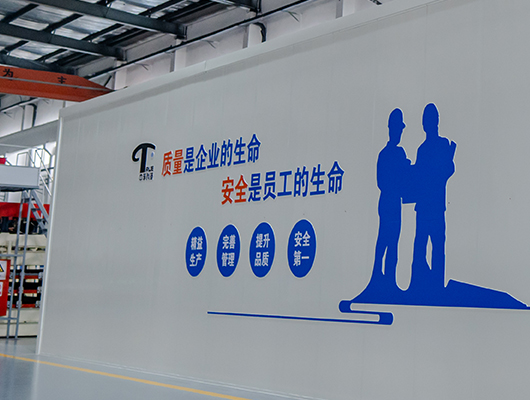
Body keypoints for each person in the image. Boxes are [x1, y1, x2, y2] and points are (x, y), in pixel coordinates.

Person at [410, 103, 456, 291]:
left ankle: (435, 285)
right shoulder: (423, 149)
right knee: (422, 246)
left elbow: (448, 170)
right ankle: (422, 284)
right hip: (427, 206)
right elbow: (420, 176)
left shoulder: (440, 145)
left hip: (433, 206)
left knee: (436, 247)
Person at [370, 108, 411, 291]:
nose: (399, 132)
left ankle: (389, 280)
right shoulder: (387, 154)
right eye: (397, 128)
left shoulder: (397, 153)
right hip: (388, 202)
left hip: (393, 202)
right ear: (391, 129)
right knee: (385, 240)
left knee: (392, 241)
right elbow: (382, 182)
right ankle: (379, 276)